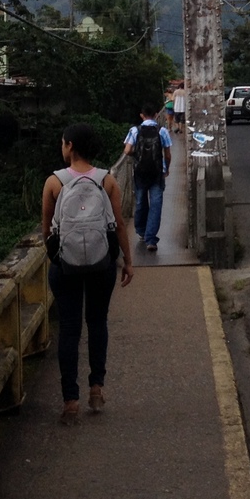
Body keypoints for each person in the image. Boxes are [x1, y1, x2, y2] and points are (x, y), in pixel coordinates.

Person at [41, 122, 133, 426]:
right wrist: (127, 261)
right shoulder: (107, 180)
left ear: (69, 146)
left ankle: (70, 400)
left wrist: (57, 257)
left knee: (69, 329)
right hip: (101, 264)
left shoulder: (54, 182)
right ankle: (96, 387)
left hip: (65, 266)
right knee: (97, 323)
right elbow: (118, 224)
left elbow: (46, 231)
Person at [124, 107, 171, 253]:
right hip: (157, 173)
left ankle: (141, 231)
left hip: (140, 173)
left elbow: (127, 150)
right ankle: (151, 239)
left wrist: (138, 152)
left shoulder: (135, 130)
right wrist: (166, 169)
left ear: (141, 115)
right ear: (156, 115)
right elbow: (168, 155)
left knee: (140, 202)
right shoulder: (162, 131)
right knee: (156, 205)